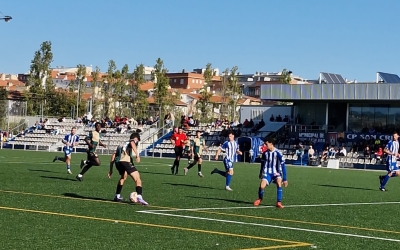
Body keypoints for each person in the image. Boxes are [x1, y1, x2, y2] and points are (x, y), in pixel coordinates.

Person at [108, 132, 148, 205]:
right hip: (125, 161)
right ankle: (139, 196)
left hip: (119, 163)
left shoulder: (123, 145)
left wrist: (111, 170)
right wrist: (137, 155)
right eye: (137, 141)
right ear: (136, 139)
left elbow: (113, 156)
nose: (137, 143)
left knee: (123, 177)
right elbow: (132, 143)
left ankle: (117, 195)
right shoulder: (132, 141)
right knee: (137, 179)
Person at [254, 137, 288, 208]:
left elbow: (283, 166)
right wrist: (261, 173)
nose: (265, 146)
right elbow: (262, 164)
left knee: (279, 182)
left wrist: (284, 179)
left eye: (266, 144)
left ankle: (279, 202)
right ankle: (260, 199)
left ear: (271, 143)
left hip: (277, 173)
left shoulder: (278, 153)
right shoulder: (265, 153)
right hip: (268, 172)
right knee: (262, 185)